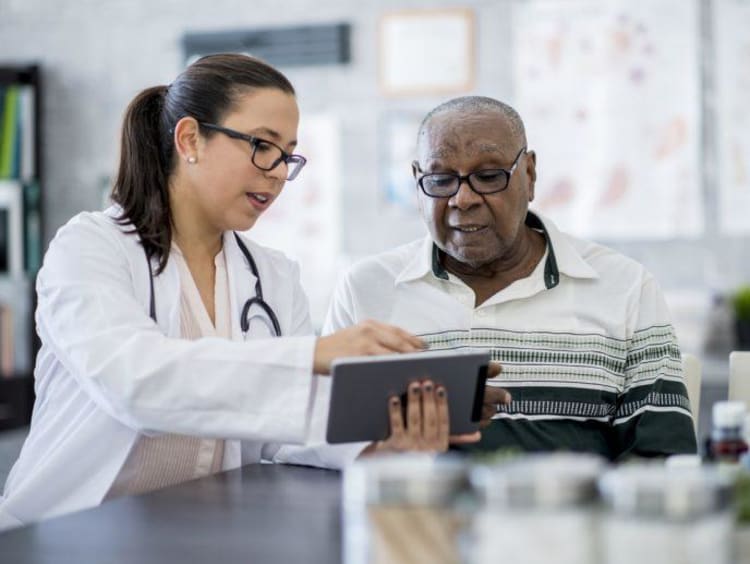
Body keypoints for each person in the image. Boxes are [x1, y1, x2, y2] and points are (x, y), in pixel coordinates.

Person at [0, 55, 504, 530]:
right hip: (64, 532)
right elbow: (134, 383)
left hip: (197, 534)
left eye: (288, 156)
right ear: (190, 138)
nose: (280, 173)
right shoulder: (91, 247)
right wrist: (312, 355)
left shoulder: (272, 275)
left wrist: (384, 433)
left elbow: (284, 430)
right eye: (263, 146)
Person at [323, 96, 697, 461]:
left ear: (530, 175)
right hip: (414, 518)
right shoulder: (365, 290)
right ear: (417, 181)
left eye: (488, 177)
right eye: (440, 180)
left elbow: (661, 459)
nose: (462, 199)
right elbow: (320, 445)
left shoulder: (624, 287)